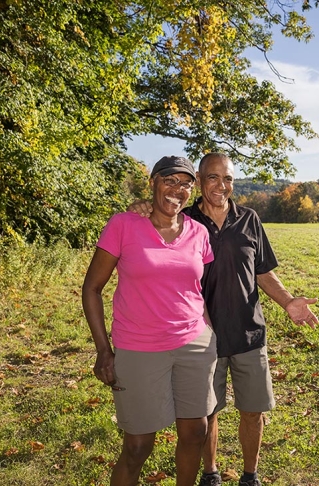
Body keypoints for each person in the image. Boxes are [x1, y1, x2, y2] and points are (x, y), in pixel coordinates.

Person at [130, 152, 318, 486]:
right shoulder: (183, 220)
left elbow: (263, 272)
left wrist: (288, 301)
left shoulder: (249, 219)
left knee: (253, 410)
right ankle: (211, 473)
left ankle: (250, 475)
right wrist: (142, 207)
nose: (221, 185)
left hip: (249, 333)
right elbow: (150, 225)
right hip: (201, 337)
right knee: (206, 413)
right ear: (200, 181)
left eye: (228, 178)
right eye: (213, 177)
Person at [82, 155, 218, 486]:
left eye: (186, 184)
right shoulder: (124, 225)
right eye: (170, 180)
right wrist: (103, 349)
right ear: (153, 183)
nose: (178, 189)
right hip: (139, 348)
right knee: (138, 446)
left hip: (195, 345)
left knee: (195, 432)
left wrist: (211, 335)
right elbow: (92, 288)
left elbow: (198, 290)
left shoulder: (198, 232)